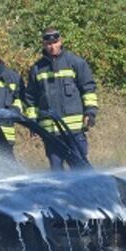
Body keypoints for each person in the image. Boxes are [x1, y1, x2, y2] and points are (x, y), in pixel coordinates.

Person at [22, 27, 98, 170]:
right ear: (43, 45)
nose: (52, 47)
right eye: (49, 44)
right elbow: (31, 99)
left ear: (60, 41)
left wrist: (90, 112)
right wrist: (32, 122)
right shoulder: (37, 69)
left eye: (55, 42)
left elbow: (88, 89)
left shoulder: (76, 63)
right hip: (50, 132)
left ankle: (89, 192)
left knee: (80, 168)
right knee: (57, 171)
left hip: (74, 130)